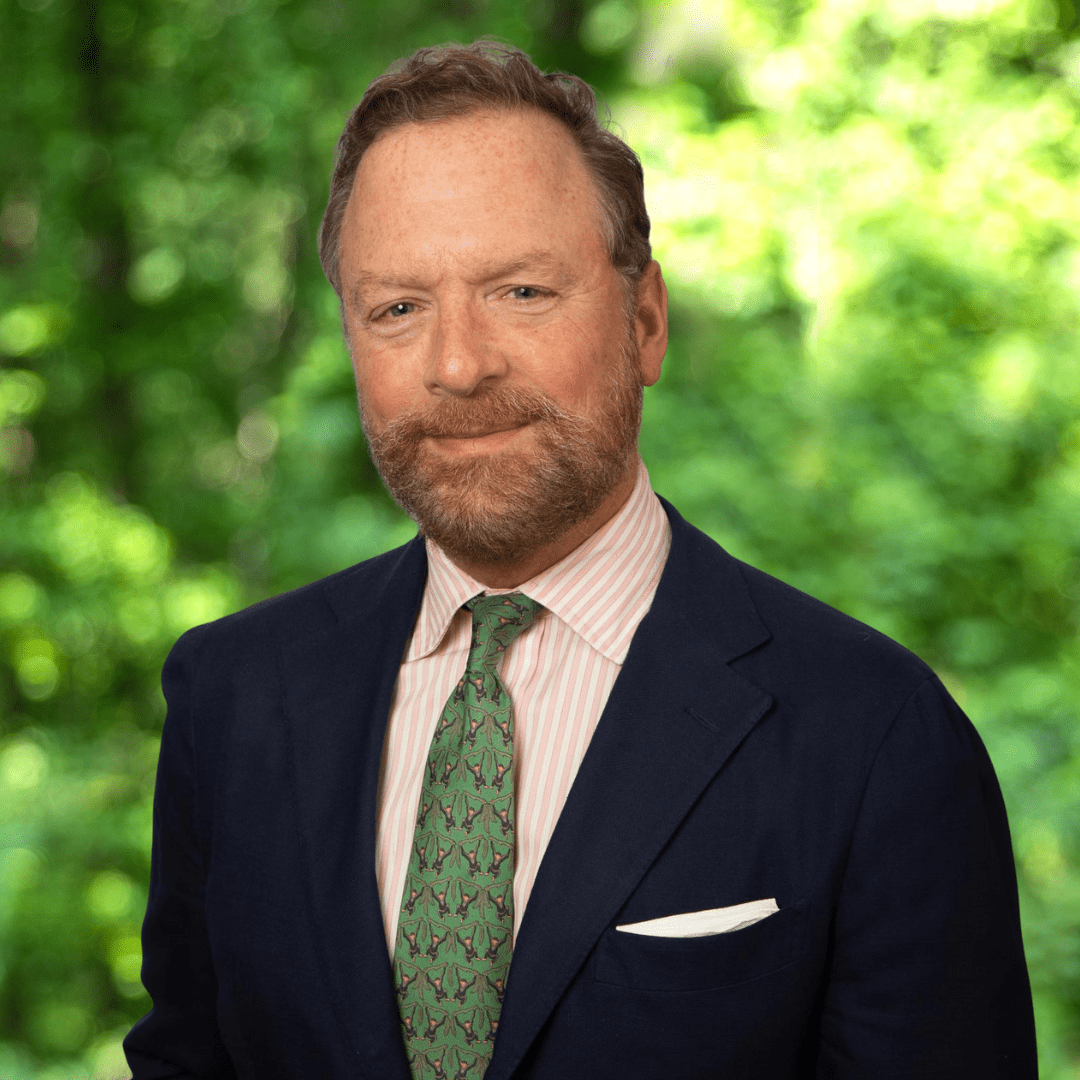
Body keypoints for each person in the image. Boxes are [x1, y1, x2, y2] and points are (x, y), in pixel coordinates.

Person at [124, 38, 1037, 1080]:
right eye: (398, 308)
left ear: (645, 323)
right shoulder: (231, 699)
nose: (458, 365)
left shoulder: (877, 736)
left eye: (520, 292)